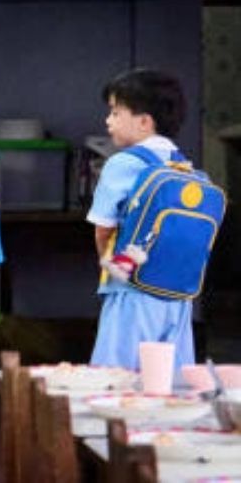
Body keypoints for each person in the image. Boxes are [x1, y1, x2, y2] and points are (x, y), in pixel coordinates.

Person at [87, 68, 193, 370]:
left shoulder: (122, 164)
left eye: (116, 112)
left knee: (116, 380)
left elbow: (103, 230)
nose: (108, 121)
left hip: (132, 290)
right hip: (179, 295)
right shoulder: (182, 165)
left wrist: (111, 270)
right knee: (171, 386)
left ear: (144, 121)